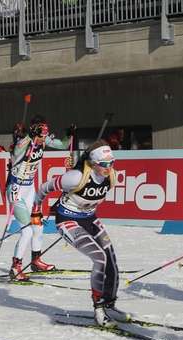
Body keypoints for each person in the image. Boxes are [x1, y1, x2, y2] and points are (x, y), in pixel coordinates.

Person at [34, 140, 125, 327]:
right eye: (104, 164)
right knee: (99, 258)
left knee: (111, 260)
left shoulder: (112, 176)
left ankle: (109, 304)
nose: (108, 167)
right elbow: (44, 187)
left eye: (111, 163)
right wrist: (36, 209)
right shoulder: (75, 177)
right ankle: (98, 310)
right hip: (67, 220)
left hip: (90, 219)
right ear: (92, 163)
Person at [7, 114, 74, 281]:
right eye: (41, 132)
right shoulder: (24, 142)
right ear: (34, 130)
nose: (44, 136)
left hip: (29, 189)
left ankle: (36, 261)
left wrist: (69, 135)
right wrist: (27, 136)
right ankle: (15, 267)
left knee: (38, 226)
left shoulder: (42, 141)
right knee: (27, 231)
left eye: (45, 132)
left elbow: (63, 145)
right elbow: (17, 152)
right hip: (16, 190)